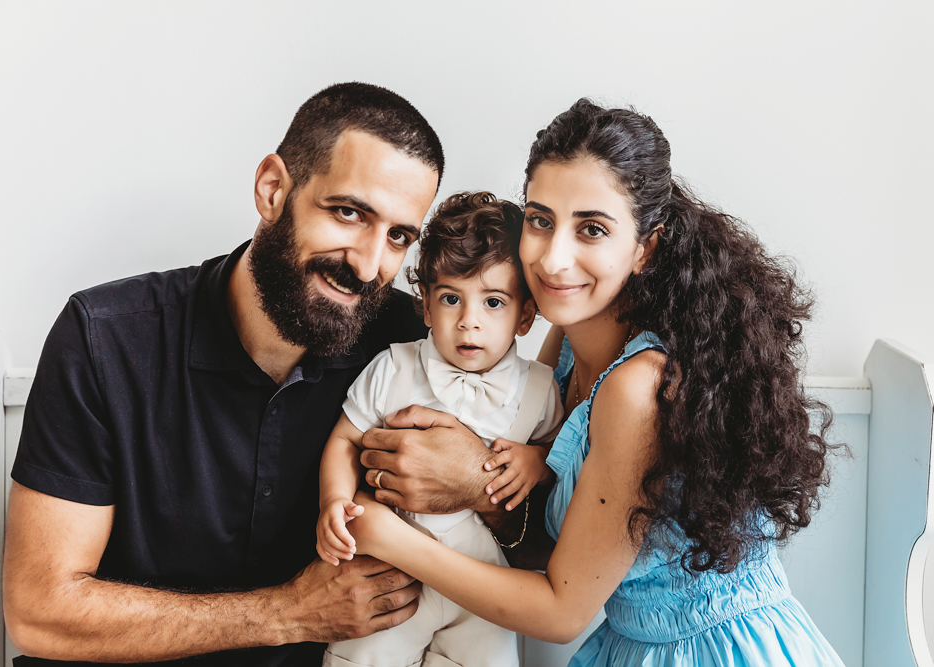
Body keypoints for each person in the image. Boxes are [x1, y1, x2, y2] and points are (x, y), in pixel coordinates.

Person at [1, 82, 514, 667]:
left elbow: (535, 535)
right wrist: (288, 614)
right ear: (272, 189)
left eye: (398, 236)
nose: (370, 265)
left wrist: (481, 485)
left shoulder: (421, 338)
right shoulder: (105, 339)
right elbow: (39, 612)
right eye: (349, 213)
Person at [346, 100, 847, 666]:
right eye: (540, 220)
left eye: (592, 229)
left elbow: (562, 611)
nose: (554, 259)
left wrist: (388, 536)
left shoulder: (639, 388)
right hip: (630, 644)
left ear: (645, 247)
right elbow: (562, 539)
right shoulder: (567, 342)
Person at [318, 192, 564, 667]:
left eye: (493, 302)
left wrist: (536, 461)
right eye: (451, 298)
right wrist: (333, 500)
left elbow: (558, 451)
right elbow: (344, 438)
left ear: (525, 317)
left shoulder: (538, 387)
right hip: (391, 574)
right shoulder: (394, 367)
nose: (469, 321)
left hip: (481, 582)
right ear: (426, 308)